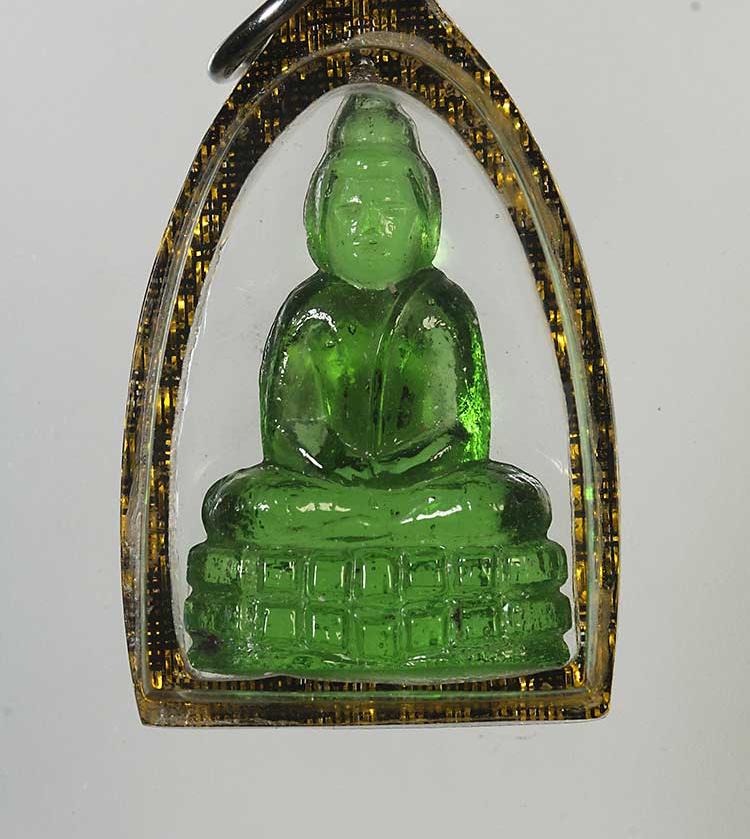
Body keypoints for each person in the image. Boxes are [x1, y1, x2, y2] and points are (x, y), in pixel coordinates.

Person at [186, 90, 571, 680]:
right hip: (324, 492)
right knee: (242, 506)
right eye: (351, 208)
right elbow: (291, 436)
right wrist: (343, 470)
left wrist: (397, 473)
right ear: (319, 219)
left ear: (425, 218)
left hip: (426, 495)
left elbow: (458, 434)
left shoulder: (439, 307)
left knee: (506, 504)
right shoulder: (312, 313)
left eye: (391, 206)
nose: (371, 226)